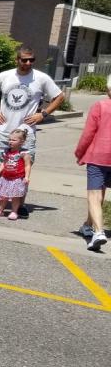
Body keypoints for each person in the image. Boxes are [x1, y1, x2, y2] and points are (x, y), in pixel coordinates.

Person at [0, 45, 64, 214]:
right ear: (17, 60)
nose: (28, 63)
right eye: (24, 60)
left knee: (24, 168)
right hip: (4, 130)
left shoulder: (41, 78)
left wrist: (43, 114)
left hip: (26, 133)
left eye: (31, 60)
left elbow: (59, 96)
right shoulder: (5, 76)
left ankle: (20, 204)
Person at [74, 74, 111, 250]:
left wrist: (80, 153)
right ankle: (88, 225)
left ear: (108, 89)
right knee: (101, 193)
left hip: (99, 156)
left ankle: (99, 232)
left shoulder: (100, 106)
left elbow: (88, 133)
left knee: (94, 194)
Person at [0, 128, 32, 220]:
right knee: (3, 195)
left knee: (15, 197)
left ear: (22, 142)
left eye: (13, 140)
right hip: (6, 177)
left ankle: (14, 211)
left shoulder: (23, 153)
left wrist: (27, 177)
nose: (10, 142)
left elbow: (27, 166)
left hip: (17, 178)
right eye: (9, 139)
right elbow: (4, 163)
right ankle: (0, 209)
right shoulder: (7, 151)